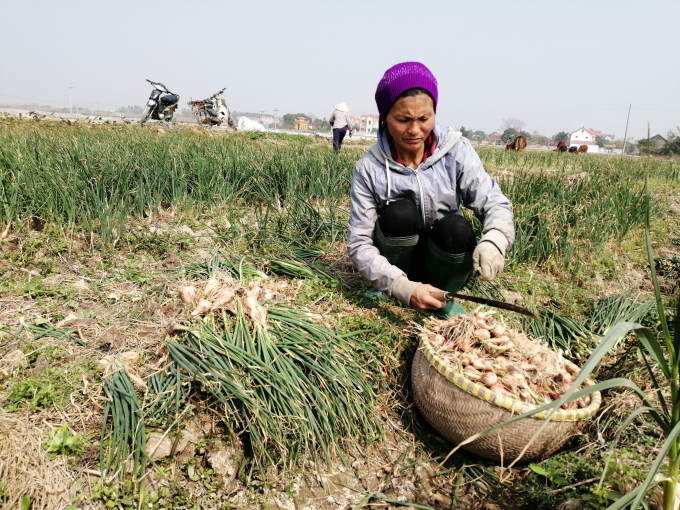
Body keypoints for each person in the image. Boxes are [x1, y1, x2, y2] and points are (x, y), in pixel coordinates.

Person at [347, 62, 514, 318]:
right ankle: (387, 288)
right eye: (403, 120)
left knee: (456, 228)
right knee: (399, 213)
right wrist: (402, 287)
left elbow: (494, 202)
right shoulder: (369, 168)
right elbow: (359, 243)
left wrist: (495, 240)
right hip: (396, 266)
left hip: (441, 254)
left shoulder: (456, 151)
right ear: (385, 118)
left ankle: (443, 294)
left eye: (424, 119)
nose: (415, 130)